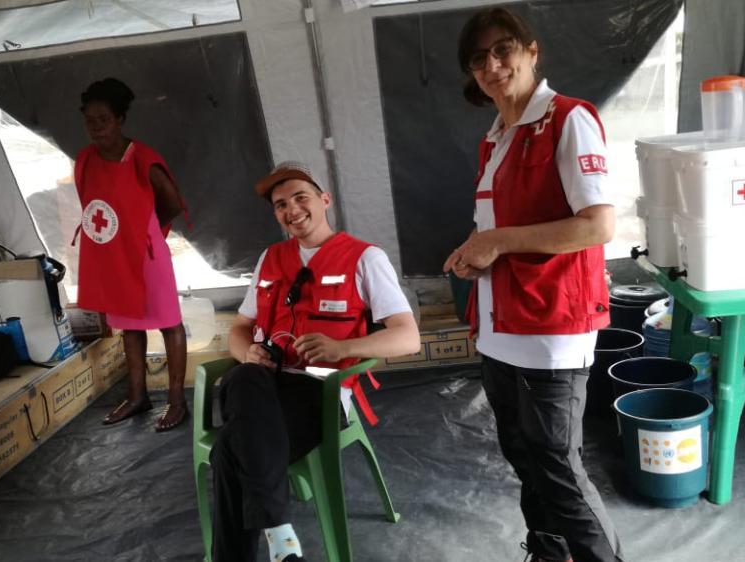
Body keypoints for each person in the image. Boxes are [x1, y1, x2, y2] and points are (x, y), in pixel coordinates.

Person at [444, 8, 624, 562]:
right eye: (480, 58)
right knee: (523, 452)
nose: (493, 65)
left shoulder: (567, 119)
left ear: (531, 51)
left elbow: (598, 225)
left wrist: (497, 242)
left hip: (552, 326)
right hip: (500, 325)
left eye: (503, 50)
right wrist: (478, 252)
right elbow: (501, 231)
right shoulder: (496, 137)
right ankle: (548, 552)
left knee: (556, 464)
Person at [212, 161, 421, 562]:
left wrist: (343, 349)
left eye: (300, 198)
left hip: (319, 392)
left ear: (325, 200)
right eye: (280, 205)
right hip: (263, 383)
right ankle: (279, 534)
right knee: (242, 377)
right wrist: (246, 351)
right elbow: (240, 328)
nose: (291, 210)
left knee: (228, 448)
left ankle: (261, 541)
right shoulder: (270, 258)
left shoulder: (365, 258)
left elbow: (408, 337)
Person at [74, 77, 190, 432]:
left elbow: (171, 203)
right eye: (89, 120)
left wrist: (144, 231)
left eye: (103, 120)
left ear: (121, 118)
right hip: (113, 257)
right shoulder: (86, 159)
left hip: (146, 255)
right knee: (129, 326)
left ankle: (176, 401)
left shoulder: (143, 159)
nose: (96, 128)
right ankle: (137, 395)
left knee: (169, 322)